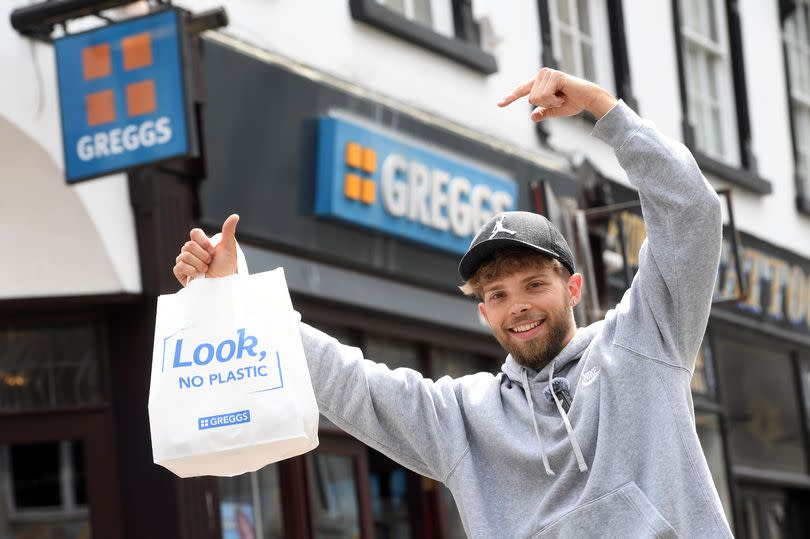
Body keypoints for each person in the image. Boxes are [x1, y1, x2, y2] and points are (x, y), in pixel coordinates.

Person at [173, 68, 732, 538]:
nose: (519, 307)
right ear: (482, 312)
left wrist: (602, 110)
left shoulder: (643, 341)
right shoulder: (464, 418)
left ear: (574, 289)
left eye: (534, 284)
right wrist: (238, 295)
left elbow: (692, 213)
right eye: (498, 294)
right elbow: (348, 383)